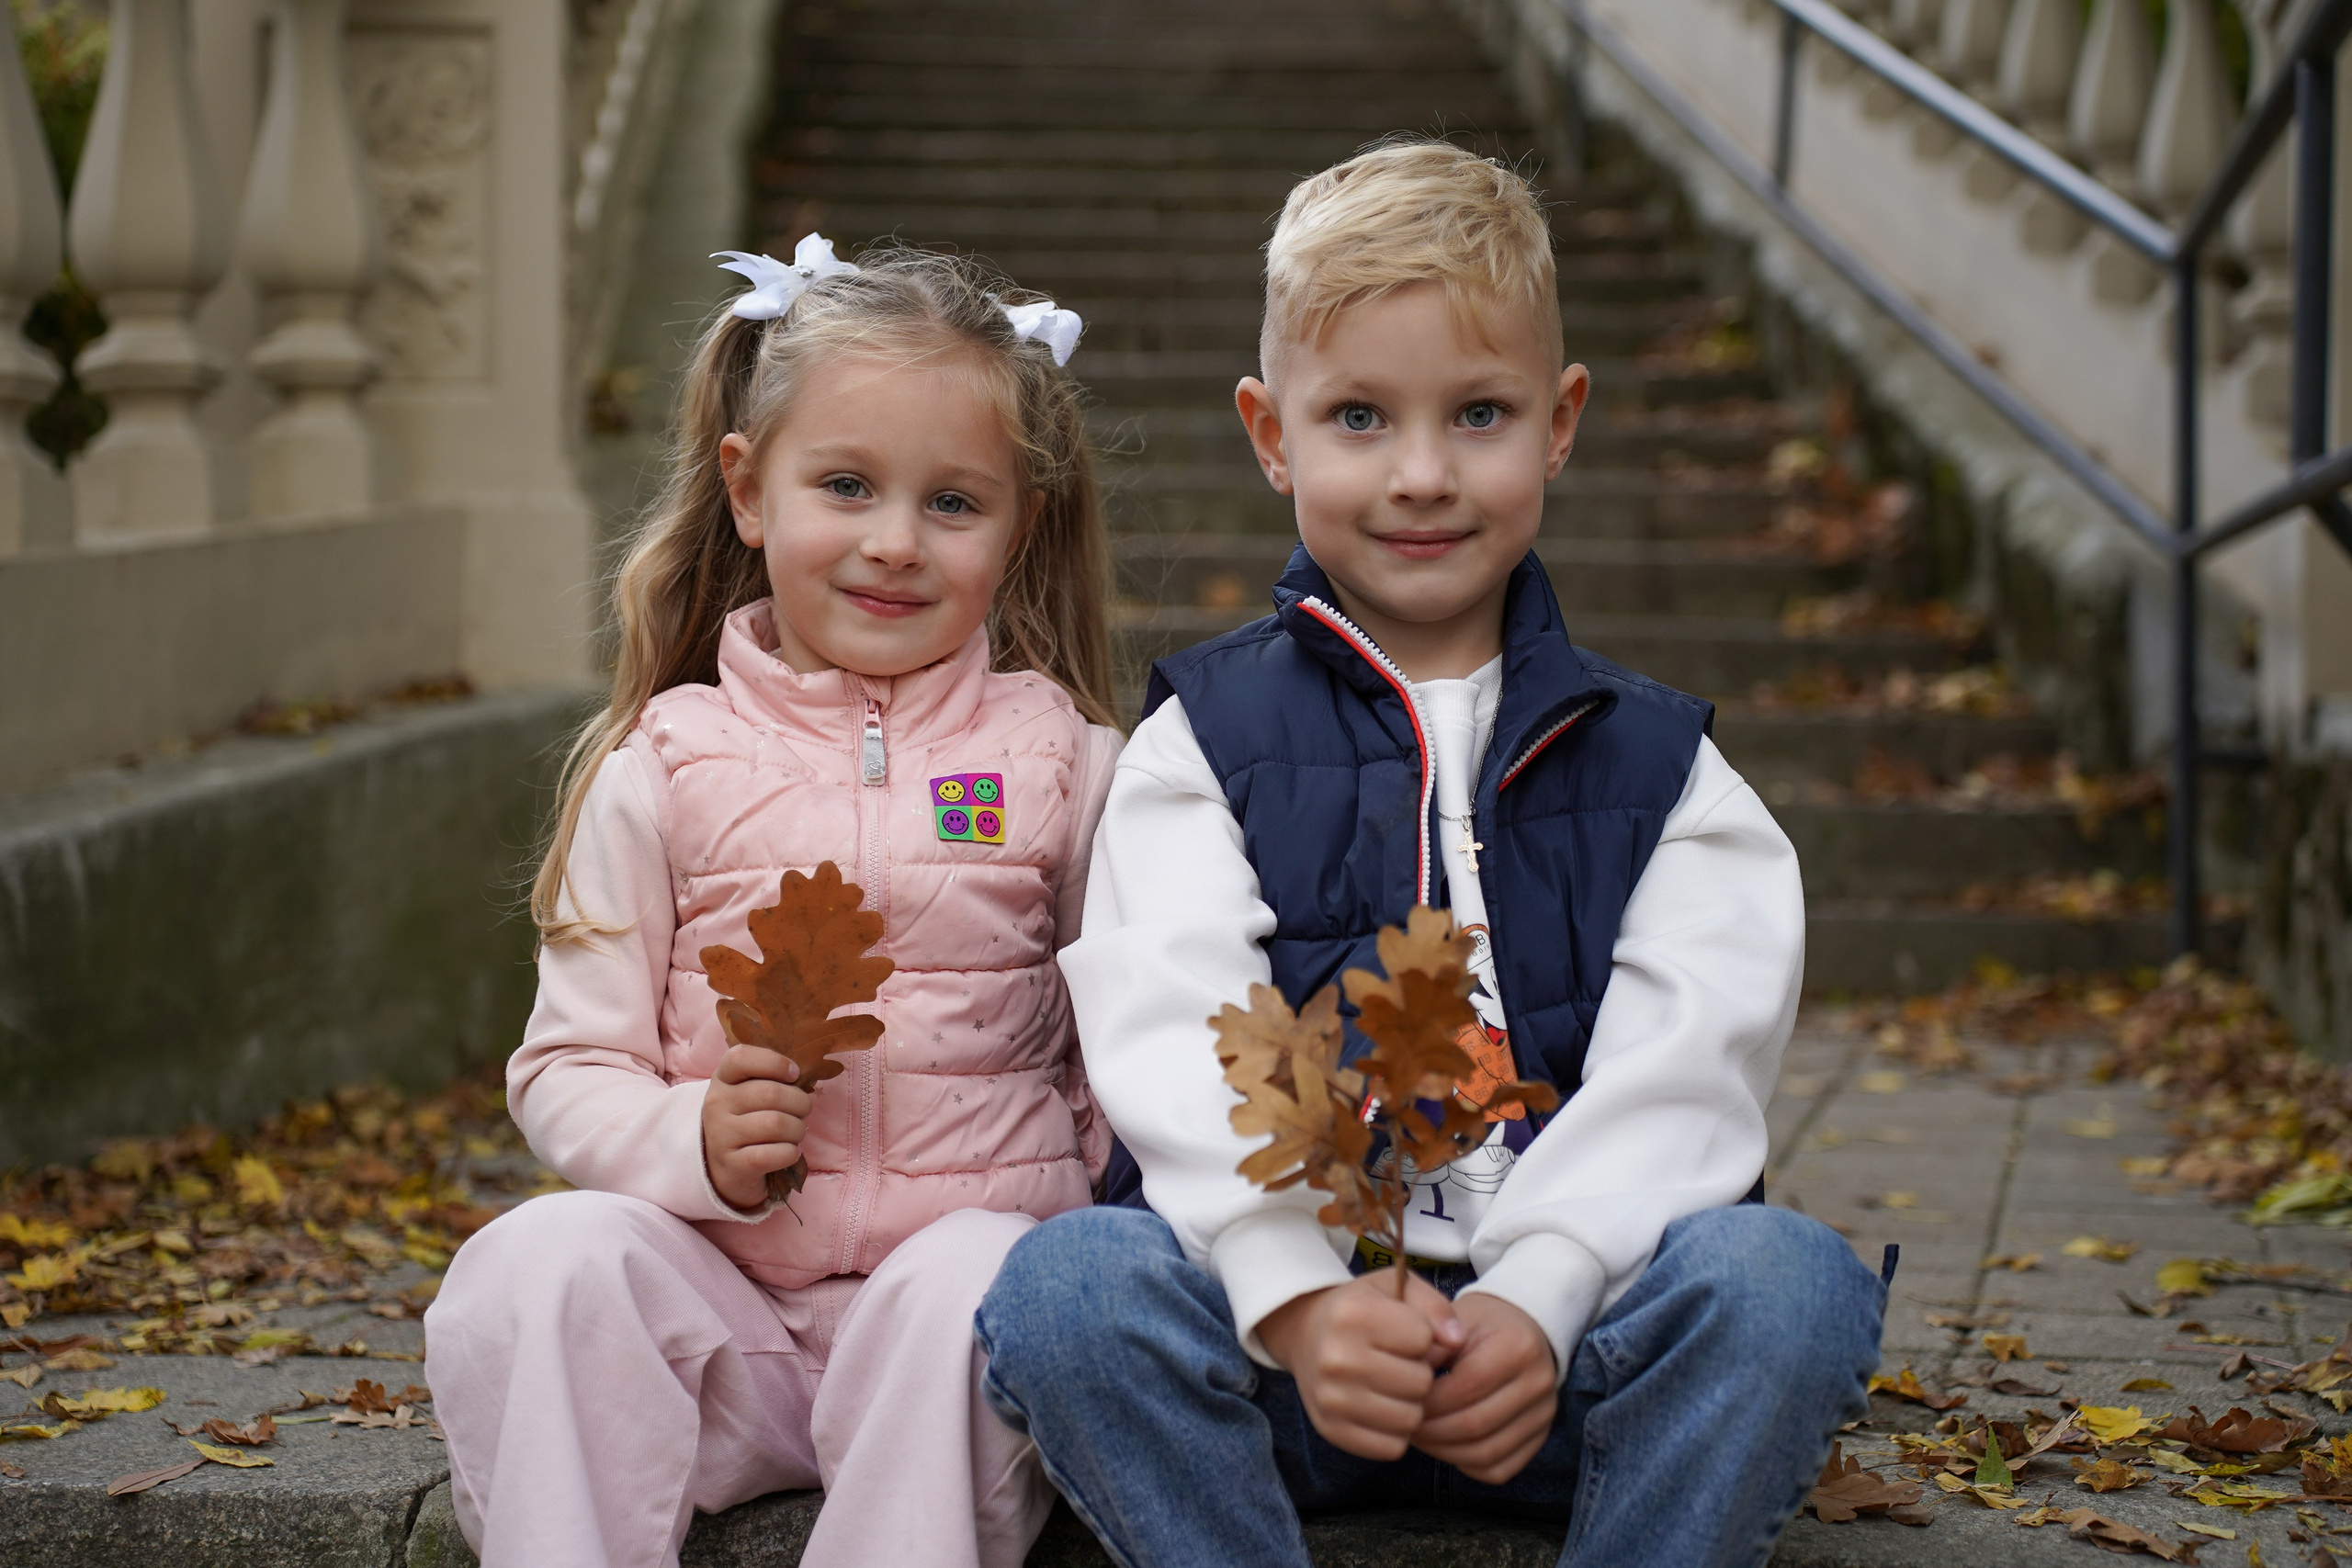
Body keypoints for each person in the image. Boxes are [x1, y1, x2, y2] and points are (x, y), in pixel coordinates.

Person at [974, 140, 1886, 1567]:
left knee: (1789, 1283)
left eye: (1477, 413)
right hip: (1283, 1364)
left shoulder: (1659, 770)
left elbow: (1690, 1063)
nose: (1421, 474)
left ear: (1561, 420)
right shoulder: (1203, 744)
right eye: (1357, 417)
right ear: (1270, 434)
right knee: (1070, 1288)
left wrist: (1546, 1291)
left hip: (1576, 1369)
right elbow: (1176, 1022)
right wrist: (1292, 1293)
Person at [424, 242, 1122, 1568]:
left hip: (950, 1358)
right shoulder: (667, 765)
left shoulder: (1066, 762)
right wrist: (691, 1139)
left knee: (981, 1273)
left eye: (953, 503)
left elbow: (1118, 1057)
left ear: (1020, 524)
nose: (893, 543)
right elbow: (570, 1065)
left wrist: (1066, 1201)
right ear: (750, 490)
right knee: (540, 1263)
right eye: (846, 486)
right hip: (721, 1331)